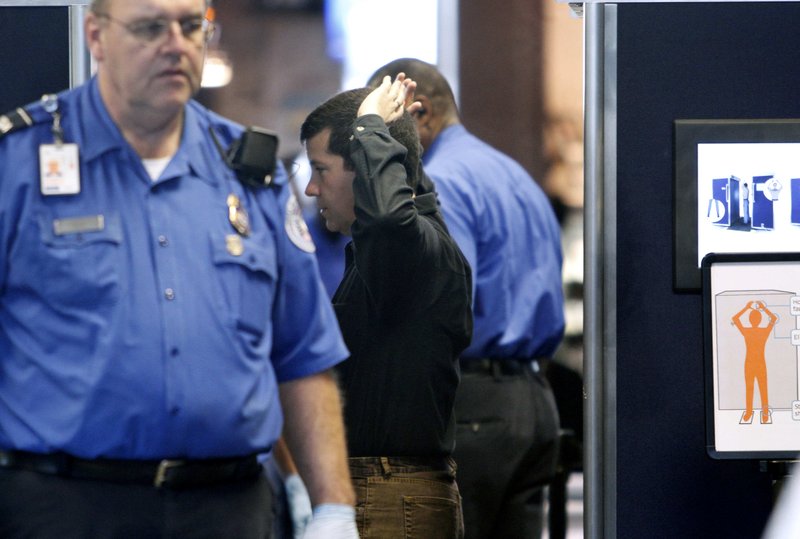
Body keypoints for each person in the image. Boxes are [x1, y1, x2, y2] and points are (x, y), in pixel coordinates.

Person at [0, 1, 358, 537]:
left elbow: (303, 353)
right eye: (149, 27)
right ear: (95, 35)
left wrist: (333, 508)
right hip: (67, 508)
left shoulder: (250, 172)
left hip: (228, 508)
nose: (176, 44)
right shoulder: (18, 164)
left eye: (191, 26)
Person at [368, 59, 565, 539]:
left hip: (476, 406)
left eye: (384, 116)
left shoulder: (444, 181)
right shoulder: (512, 173)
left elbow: (446, 303)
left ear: (421, 112)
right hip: (534, 403)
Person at [299, 75, 473, 538]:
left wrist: (372, 127)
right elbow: (408, 197)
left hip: (391, 495)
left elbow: (389, 218)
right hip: (385, 489)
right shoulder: (408, 252)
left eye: (320, 170)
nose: (312, 190)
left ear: (363, 170)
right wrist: (395, 134)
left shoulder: (410, 250)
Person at [731, 300, 777, 425]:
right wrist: (763, 308)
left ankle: (749, 412)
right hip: (760, 363)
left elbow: (735, 318)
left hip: (750, 364)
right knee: (763, 389)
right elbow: (774, 318)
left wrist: (746, 308)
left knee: (749, 389)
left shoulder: (747, 331)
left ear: (750, 320)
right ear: (760, 320)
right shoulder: (763, 332)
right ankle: (764, 413)